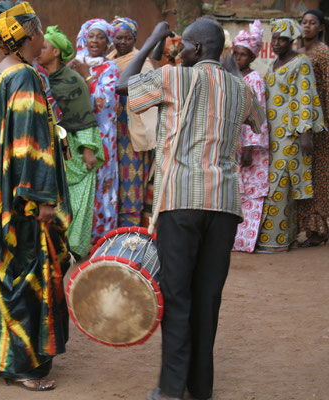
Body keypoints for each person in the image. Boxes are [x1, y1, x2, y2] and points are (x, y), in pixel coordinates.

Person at [117, 19, 265, 400]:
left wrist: (153, 37)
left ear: (197, 50)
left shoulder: (173, 78)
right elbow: (257, 120)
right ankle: (200, 388)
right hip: (224, 204)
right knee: (207, 296)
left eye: (184, 46)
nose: (178, 50)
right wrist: (226, 63)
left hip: (179, 200)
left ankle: (170, 389)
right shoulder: (241, 86)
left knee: (177, 294)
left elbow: (122, 84)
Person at [0, 1, 71, 391]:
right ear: (28, 35)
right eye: (40, 32)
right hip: (21, 199)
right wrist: (43, 197)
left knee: (3, 272)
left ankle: (2, 356)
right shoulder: (24, 76)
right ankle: (25, 365)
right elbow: (30, 143)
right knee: (27, 274)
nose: (44, 38)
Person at [256, 18, 325, 253]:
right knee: (279, 185)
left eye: (281, 39)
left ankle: (274, 240)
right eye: (273, 39)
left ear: (291, 40)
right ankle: (287, 236)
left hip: (292, 133)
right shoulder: (274, 63)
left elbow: (305, 97)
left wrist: (305, 133)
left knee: (280, 185)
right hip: (272, 136)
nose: (276, 43)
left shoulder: (301, 63)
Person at [36, 25, 103, 259]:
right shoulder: (38, 77)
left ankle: (72, 249)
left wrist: (87, 149)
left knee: (78, 203)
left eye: (44, 47)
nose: (39, 50)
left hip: (74, 150)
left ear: (56, 52)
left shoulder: (72, 79)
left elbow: (84, 113)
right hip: (51, 149)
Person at [68, 19, 119, 243]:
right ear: (84, 38)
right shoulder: (74, 64)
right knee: (80, 184)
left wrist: (85, 74)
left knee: (101, 184)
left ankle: (100, 238)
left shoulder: (111, 68)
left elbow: (102, 102)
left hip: (103, 137)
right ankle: (78, 237)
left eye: (101, 37)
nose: (95, 41)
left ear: (108, 42)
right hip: (77, 136)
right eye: (92, 36)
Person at [108, 17, 157, 227]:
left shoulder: (143, 63)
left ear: (135, 39)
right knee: (113, 179)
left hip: (132, 130)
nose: (122, 42)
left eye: (128, 38)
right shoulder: (107, 60)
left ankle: (131, 229)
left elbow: (150, 98)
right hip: (111, 130)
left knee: (132, 179)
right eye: (118, 37)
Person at [231, 20, 270, 253]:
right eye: (235, 53)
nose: (237, 58)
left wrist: (248, 148)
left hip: (247, 147)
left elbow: (258, 116)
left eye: (243, 55)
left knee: (250, 194)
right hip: (232, 145)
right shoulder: (231, 76)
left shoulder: (254, 79)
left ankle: (244, 242)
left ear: (253, 57)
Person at [297, 10, 329, 247]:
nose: (306, 26)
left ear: (320, 27)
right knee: (305, 174)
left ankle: (319, 228)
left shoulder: (322, 53)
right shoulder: (299, 53)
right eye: (304, 22)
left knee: (319, 176)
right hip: (300, 124)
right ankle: (307, 226)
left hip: (321, 125)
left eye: (312, 23)